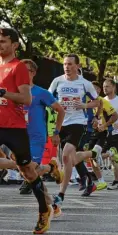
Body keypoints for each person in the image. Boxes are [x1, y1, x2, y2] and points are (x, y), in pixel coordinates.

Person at [0, 28, 56, 233]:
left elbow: (26, 99)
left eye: (3, 41)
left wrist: (3, 93)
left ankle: (44, 210)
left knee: (28, 172)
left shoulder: (18, 67)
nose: (0, 44)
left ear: (14, 45)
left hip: (15, 128)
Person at [49, 54, 103, 209]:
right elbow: (48, 98)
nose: (67, 67)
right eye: (65, 64)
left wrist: (85, 106)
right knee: (69, 159)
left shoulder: (85, 83)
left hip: (78, 123)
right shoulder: (57, 81)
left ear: (78, 66)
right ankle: (89, 170)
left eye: (70, 64)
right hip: (61, 124)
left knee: (66, 156)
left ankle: (60, 195)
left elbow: (97, 102)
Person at [18, 59, 64, 195]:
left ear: (33, 73)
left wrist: (56, 132)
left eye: (25, 71)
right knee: (21, 165)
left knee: (31, 167)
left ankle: (34, 178)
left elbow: (60, 110)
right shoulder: (14, 92)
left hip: (36, 136)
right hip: (18, 135)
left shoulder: (41, 93)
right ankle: (51, 167)